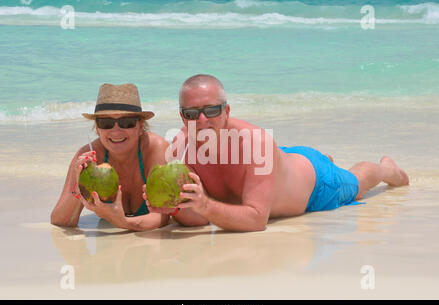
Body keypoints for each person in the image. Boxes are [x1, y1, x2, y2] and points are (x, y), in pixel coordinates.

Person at [144, 74, 409, 232]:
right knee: (278, 161)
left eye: (211, 110)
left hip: (316, 185)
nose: (202, 120)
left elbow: (257, 220)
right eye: (192, 113)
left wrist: (204, 204)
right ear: (182, 116)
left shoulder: (256, 142)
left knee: (356, 183)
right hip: (275, 163)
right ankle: (310, 159)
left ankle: (387, 168)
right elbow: (200, 219)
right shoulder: (180, 149)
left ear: (226, 111)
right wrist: (174, 209)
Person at [51, 83, 171, 231]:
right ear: (97, 128)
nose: (116, 131)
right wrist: (79, 185)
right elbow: (60, 221)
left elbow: (162, 215)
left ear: (140, 126)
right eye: (106, 123)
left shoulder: (155, 148)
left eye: (126, 123)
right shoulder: (88, 155)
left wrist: (124, 223)